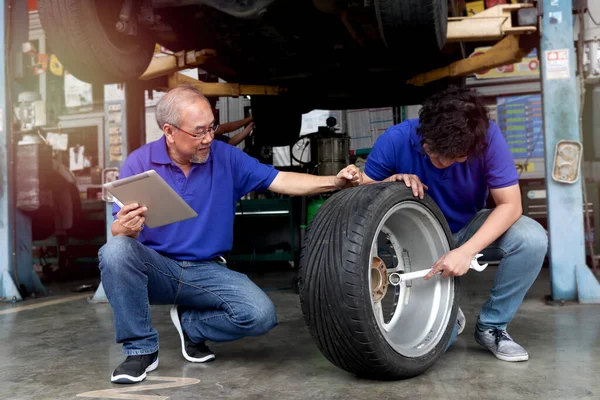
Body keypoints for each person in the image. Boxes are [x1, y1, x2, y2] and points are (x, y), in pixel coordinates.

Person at [99, 84, 361, 384]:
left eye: (211, 128)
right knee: (115, 250)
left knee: (260, 315)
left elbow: (281, 179)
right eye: (199, 132)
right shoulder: (139, 162)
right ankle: (140, 350)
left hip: (207, 270)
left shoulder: (225, 157)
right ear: (170, 132)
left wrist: (335, 182)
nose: (209, 138)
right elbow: (117, 229)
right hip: (158, 269)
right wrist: (125, 228)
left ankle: (192, 328)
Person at [362, 86, 547, 362]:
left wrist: (467, 251)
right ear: (424, 134)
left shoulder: (487, 138)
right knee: (433, 344)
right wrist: (389, 183)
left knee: (532, 238)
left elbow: (511, 205)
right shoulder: (396, 139)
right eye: (436, 156)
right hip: (418, 240)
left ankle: (492, 326)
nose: (444, 163)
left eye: (456, 157)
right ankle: (452, 320)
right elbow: (360, 195)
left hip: (468, 226)